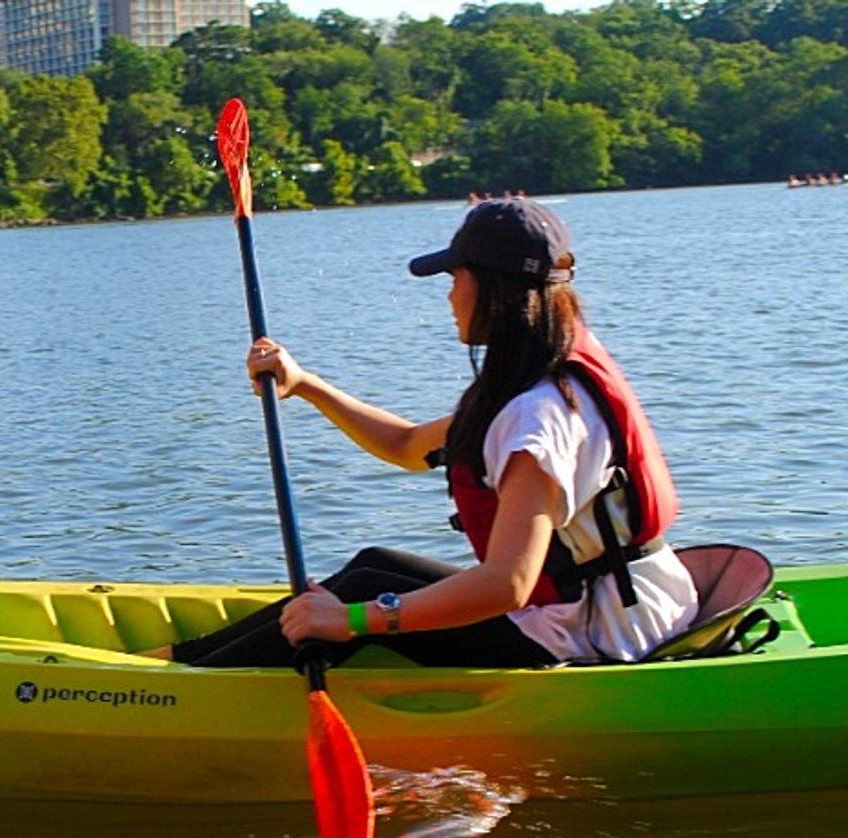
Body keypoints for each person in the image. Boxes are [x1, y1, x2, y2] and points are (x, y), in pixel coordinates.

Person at [150, 200, 698, 669]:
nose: (449, 295)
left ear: (493, 289)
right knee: (374, 563)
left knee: (362, 594)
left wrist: (352, 621)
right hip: (614, 603)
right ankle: (185, 660)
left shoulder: (540, 415)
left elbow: (508, 584)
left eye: (456, 277)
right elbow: (409, 447)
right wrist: (306, 386)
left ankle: (181, 687)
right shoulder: (546, 364)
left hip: (598, 633)